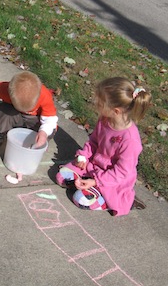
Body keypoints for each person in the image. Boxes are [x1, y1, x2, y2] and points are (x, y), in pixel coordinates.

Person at [56, 77, 151, 216]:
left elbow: (121, 173)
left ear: (116, 111)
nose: (96, 104)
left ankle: (115, 201)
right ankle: (86, 185)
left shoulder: (130, 140)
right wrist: (83, 156)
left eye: (100, 103)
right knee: (61, 177)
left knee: (81, 199)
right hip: (93, 166)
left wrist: (95, 182)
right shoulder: (105, 119)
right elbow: (94, 141)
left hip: (112, 180)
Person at [0, 71, 58, 183]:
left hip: (35, 120)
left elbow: (50, 119)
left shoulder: (44, 95)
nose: (25, 111)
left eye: (28, 109)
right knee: (3, 110)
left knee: (49, 129)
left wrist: (43, 132)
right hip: (14, 114)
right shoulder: (2, 88)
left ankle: (39, 141)